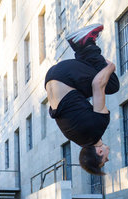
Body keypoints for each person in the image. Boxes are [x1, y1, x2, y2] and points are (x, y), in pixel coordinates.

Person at [45, 24, 120, 175]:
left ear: (99, 152)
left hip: (65, 75)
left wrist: (111, 67)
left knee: (112, 84)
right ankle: (79, 45)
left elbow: (98, 84)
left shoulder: (97, 127)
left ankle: (87, 43)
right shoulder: (77, 138)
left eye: (105, 159)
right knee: (91, 89)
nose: (108, 157)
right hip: (51, 78)